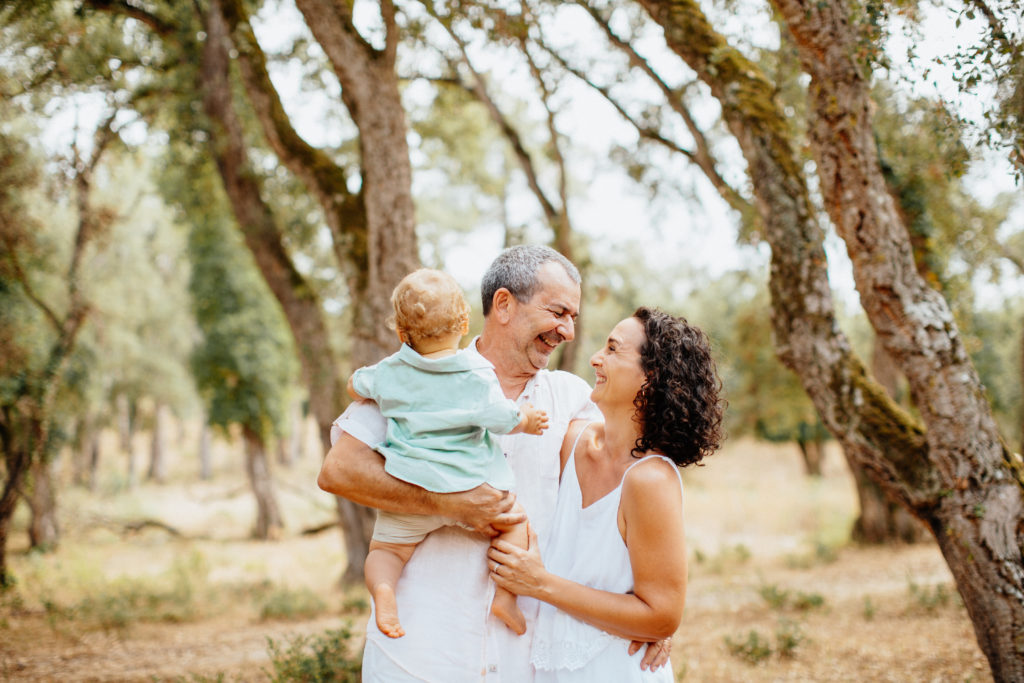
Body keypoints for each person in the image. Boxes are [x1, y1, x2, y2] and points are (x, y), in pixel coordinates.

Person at [319, 245, 671, 681]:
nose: (569, 332)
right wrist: (448, 504)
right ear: (503, 304)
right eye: (558, 312)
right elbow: (339, 470)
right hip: (421, 652)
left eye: (574, 318)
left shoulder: (573, 398)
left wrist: (646, 612)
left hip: (523, 660)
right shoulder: (416, 376)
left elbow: (619, 497)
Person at [487, 307, 725, 681]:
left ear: (652, 378)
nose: (596, 358)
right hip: (547, 668)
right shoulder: (569, 440)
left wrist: (540, 584)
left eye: (613, 350)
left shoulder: (650, 480)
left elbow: (662, 616)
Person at [347, 268, 549, 639]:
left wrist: (364, 383)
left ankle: (384, 591)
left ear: (401, 333)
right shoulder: (475, 373)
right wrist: (527, 419)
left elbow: (357, 384)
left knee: (386, 551)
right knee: (516, 522)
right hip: (471, 486)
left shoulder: (389, 372)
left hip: (410, 490)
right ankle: (505, 597)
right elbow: (500, 417)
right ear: (464, 321)